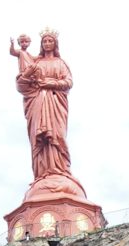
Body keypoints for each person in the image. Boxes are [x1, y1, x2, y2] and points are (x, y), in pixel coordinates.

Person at [15, 30, 84, 193]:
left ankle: (61, 170)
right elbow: (22, 85)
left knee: (57, 136)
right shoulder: (35, 63)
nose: (46, 43)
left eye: (49, 41)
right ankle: (43, 173)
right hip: (37, 104)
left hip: (55, 103)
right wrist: (28, 74)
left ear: (55, 44)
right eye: (44, 41)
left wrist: (48, 83)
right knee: (40, 139)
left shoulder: (61, 63)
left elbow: (68, 82)